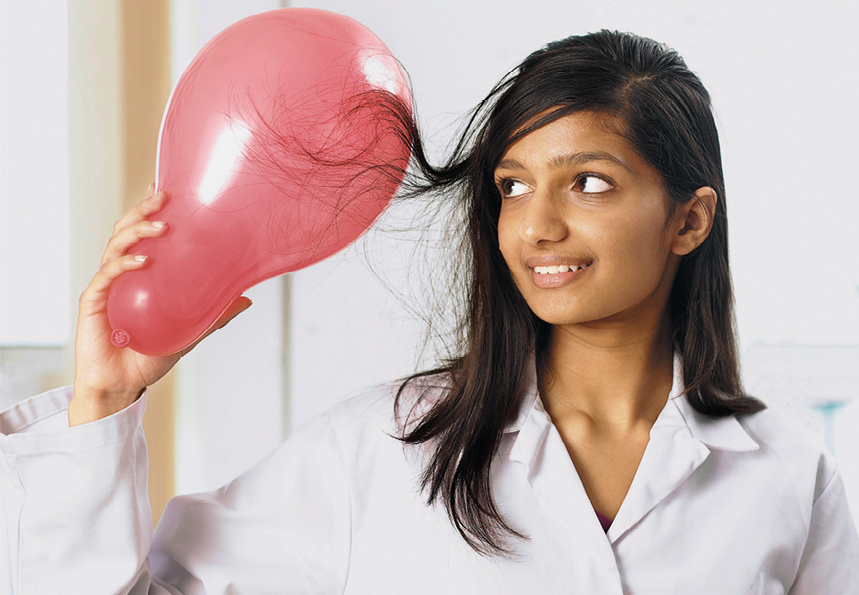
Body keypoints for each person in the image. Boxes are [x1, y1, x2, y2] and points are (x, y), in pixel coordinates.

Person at [1, 30, 857, 594]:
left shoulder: (788, 472)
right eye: (512, 186)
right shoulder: (383, 445)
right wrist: (102, 407)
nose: (537, 225)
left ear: (689, 218)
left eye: (588, 182)